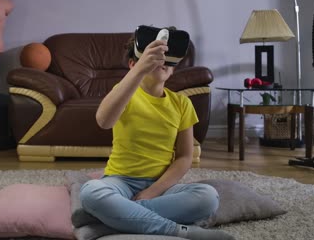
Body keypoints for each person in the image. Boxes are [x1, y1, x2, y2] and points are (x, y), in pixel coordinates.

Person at [79, 29, 234, 240]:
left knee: (208, 197)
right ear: (133, 64)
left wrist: (152, 191)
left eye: (168, 61)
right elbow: (104, 121)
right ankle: (177, 231)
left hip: (161, 186)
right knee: (91, 192)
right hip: (120, 182)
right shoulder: (125, 92)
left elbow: (184, 157)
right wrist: (139, 71)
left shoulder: (181, 104)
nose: (162, 62)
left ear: (172, 70)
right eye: (151, 58)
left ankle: (116, 219)